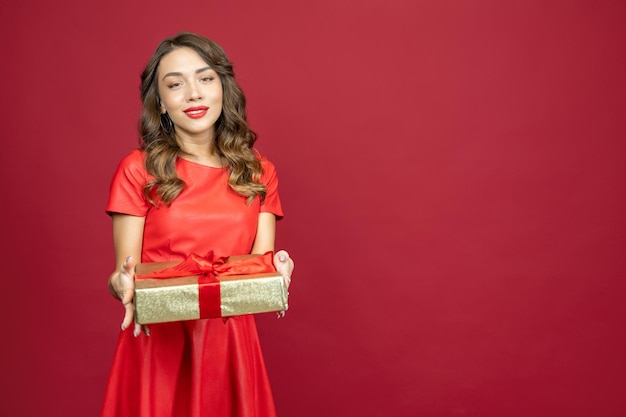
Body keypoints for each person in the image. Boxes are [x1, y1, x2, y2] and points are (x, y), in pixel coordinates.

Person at [101, 32, 294, 417]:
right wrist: (122, 284)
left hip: (231, 345)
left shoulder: (259, 172)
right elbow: (124, 275)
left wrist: (277, 275)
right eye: (175, 84)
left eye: (205, 79)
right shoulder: (138, 169)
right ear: (160, 102)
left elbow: (258, 267)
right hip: (161, 344)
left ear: (223, 87)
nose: (193, 93)